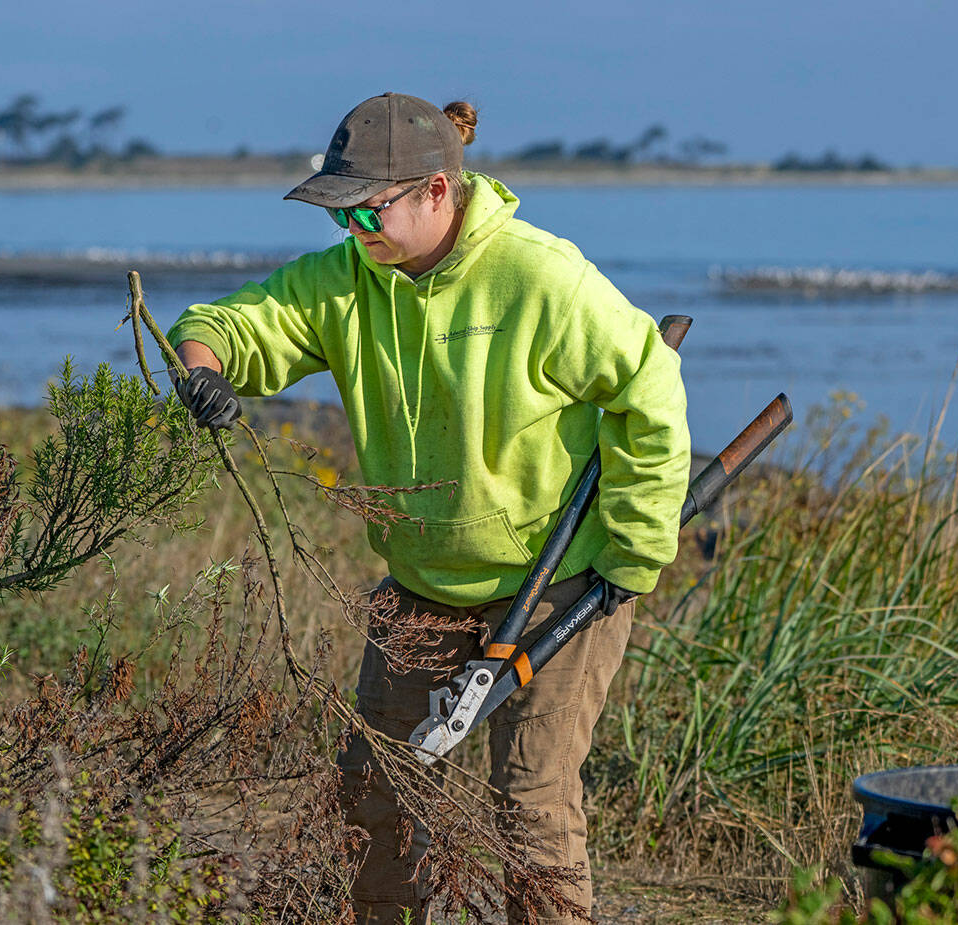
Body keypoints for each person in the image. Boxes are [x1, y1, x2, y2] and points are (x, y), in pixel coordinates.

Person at [167, 92, 690, 924]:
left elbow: (649, 390)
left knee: (530, 801)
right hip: (420, 586)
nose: (354, 232)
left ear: (438, 191)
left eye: (367, 212)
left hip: (558, 579)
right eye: (341, 216)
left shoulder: (541, 276)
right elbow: (229, 323)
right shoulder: (349, 276)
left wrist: (632, 557)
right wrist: (204, 367)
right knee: (378, 785)